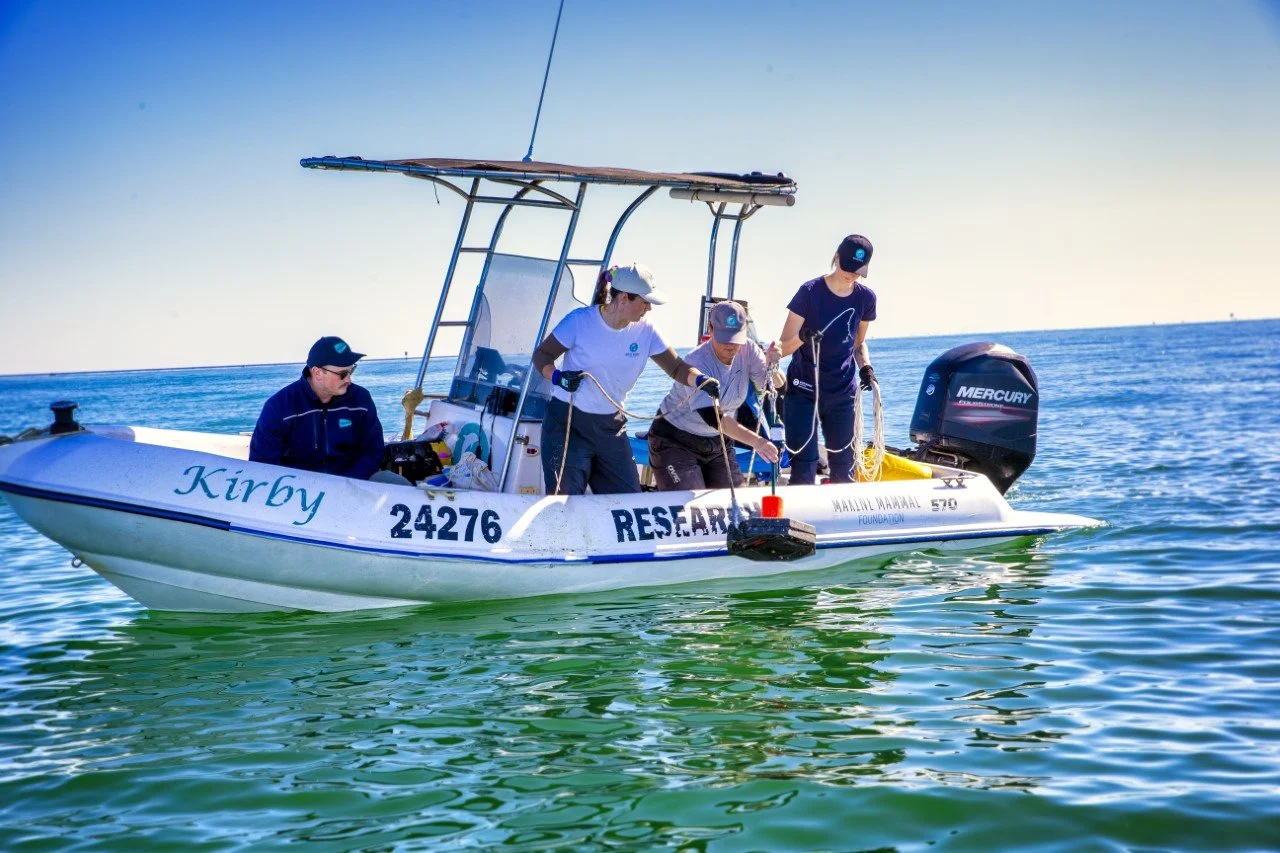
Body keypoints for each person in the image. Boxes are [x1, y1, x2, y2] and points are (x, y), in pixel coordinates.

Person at [532, 263, 718, 495]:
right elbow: (542, 355)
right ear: (623, 299)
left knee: (629, 498)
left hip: (610, 426)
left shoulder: (647, 330)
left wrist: (701, 380)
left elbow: (676, 367)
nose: (649, 308)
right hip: (568, 422)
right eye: (645, 302)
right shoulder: (579, 321)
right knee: (564, 499)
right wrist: (558, 377)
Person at [649, 301, 782, 491]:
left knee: (736, 504)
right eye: (724, 338)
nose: (730, 345)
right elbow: (715, 418)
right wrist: (757, 442)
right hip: (675, 440)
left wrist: (773, 366)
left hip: (718, 443)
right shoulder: (697, 361)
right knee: (690, 505)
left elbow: (774, 388)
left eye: (735, 338)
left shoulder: (750, 350)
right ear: (710, 329)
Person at [777, 234, 878, 485]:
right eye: (847, 267)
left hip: (842, 392)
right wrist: (803, 336)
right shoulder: (809, 292)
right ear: (836, 257)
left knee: (844, 468)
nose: (851, 275)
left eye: (858, 271)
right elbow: (783, 347)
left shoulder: (866, 298)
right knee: (804, 465)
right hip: (803, 390)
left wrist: (866, 368)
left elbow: (857, 343)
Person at [249, 335, 386, 480]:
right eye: (342, 374)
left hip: (353, 482)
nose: (348, 379)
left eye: (351, 371)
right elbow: (263, 463)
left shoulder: (361, 399)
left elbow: (373, 450)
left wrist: (347, 482)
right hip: (299, 488)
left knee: (396, 483)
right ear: (317, 373)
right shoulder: (279, 407)